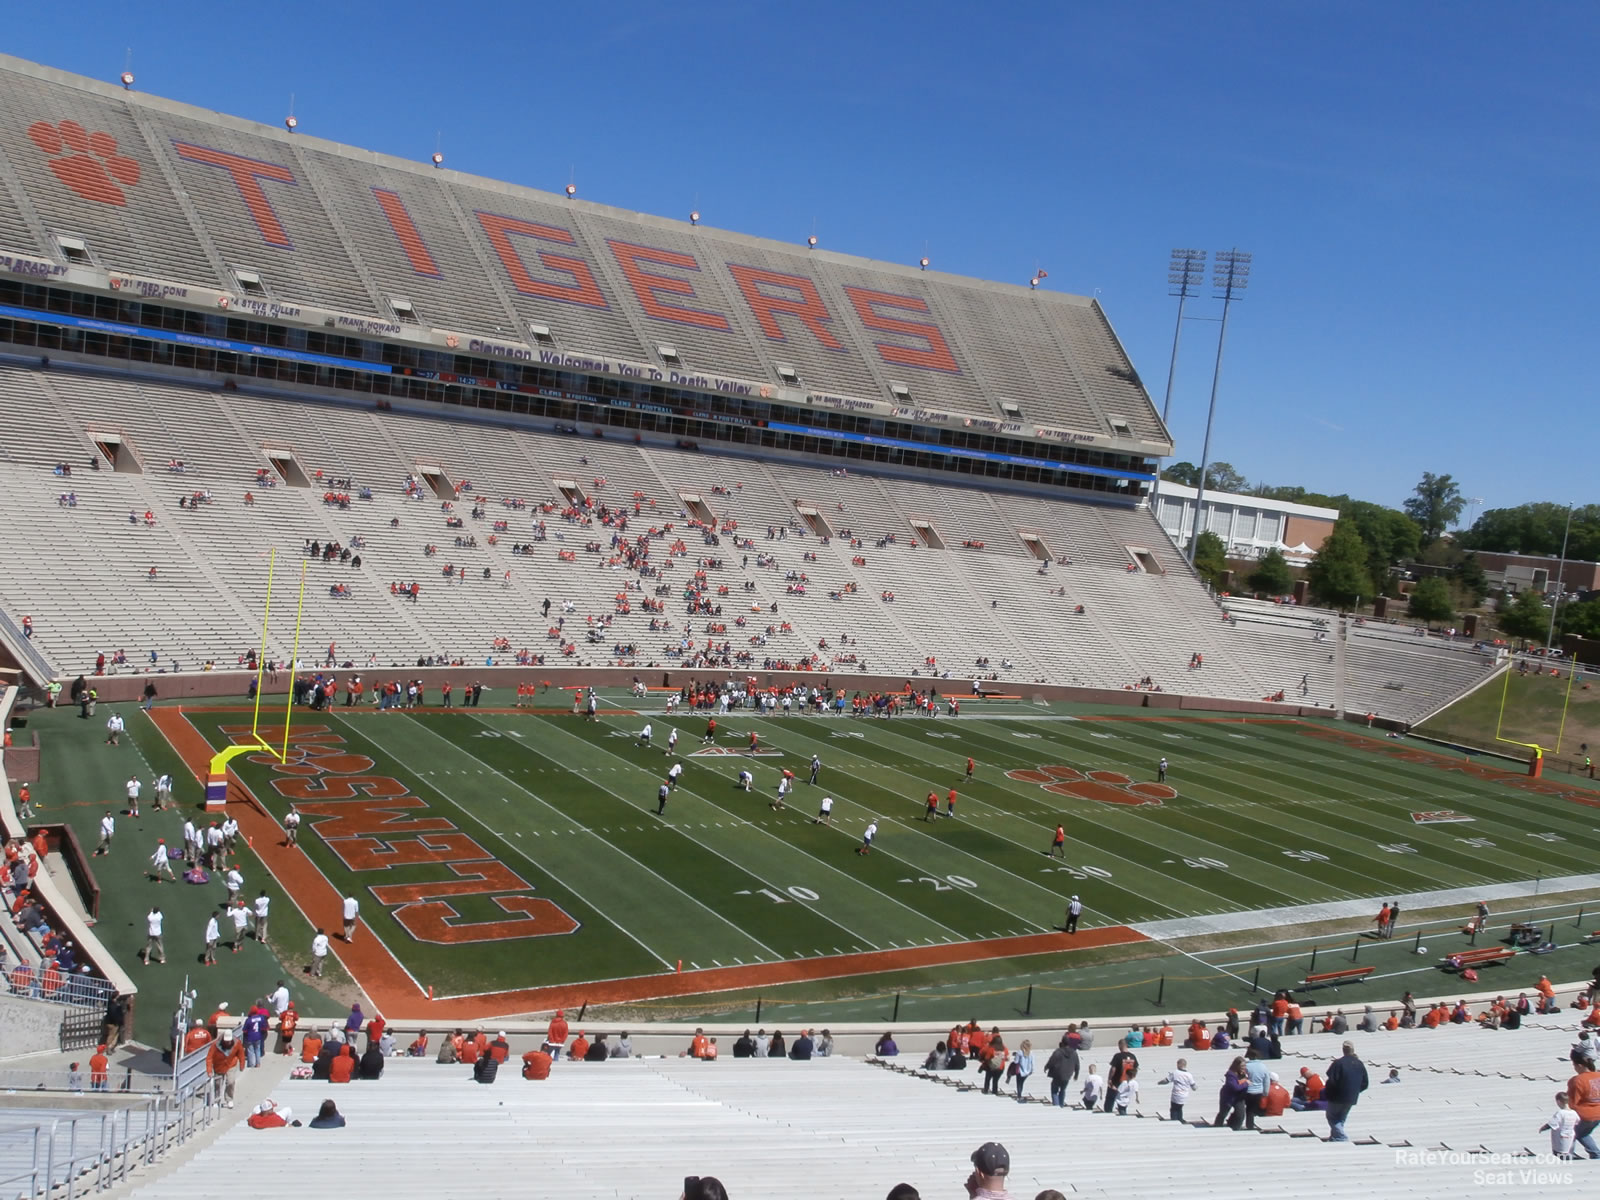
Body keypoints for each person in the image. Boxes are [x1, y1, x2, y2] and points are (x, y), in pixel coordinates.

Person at [1323, 1040, 1370, 1141]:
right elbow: (1365, 1083)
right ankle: (1335, 1136)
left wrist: (1330, 1093)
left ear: (1343, 1050)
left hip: (1337, 1097)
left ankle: (1341, 1137)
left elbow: (1332, 1080)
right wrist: (1354, 1091)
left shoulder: (1338, 1063)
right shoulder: (1359, 1063)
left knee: (1331, 1117)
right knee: (1341, 1118)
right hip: (1352, 1097)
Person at [1568, 1053, 1600, 1158]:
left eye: (1574, 1065)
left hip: (1585, 1114)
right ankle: (1595, 1153)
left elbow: (1572, 1102)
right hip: (1598, 1114)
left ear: (1580, 1066)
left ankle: (1567, 1154)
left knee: (1571, 1133)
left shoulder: (1577, 1080)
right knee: (1582, 1133)